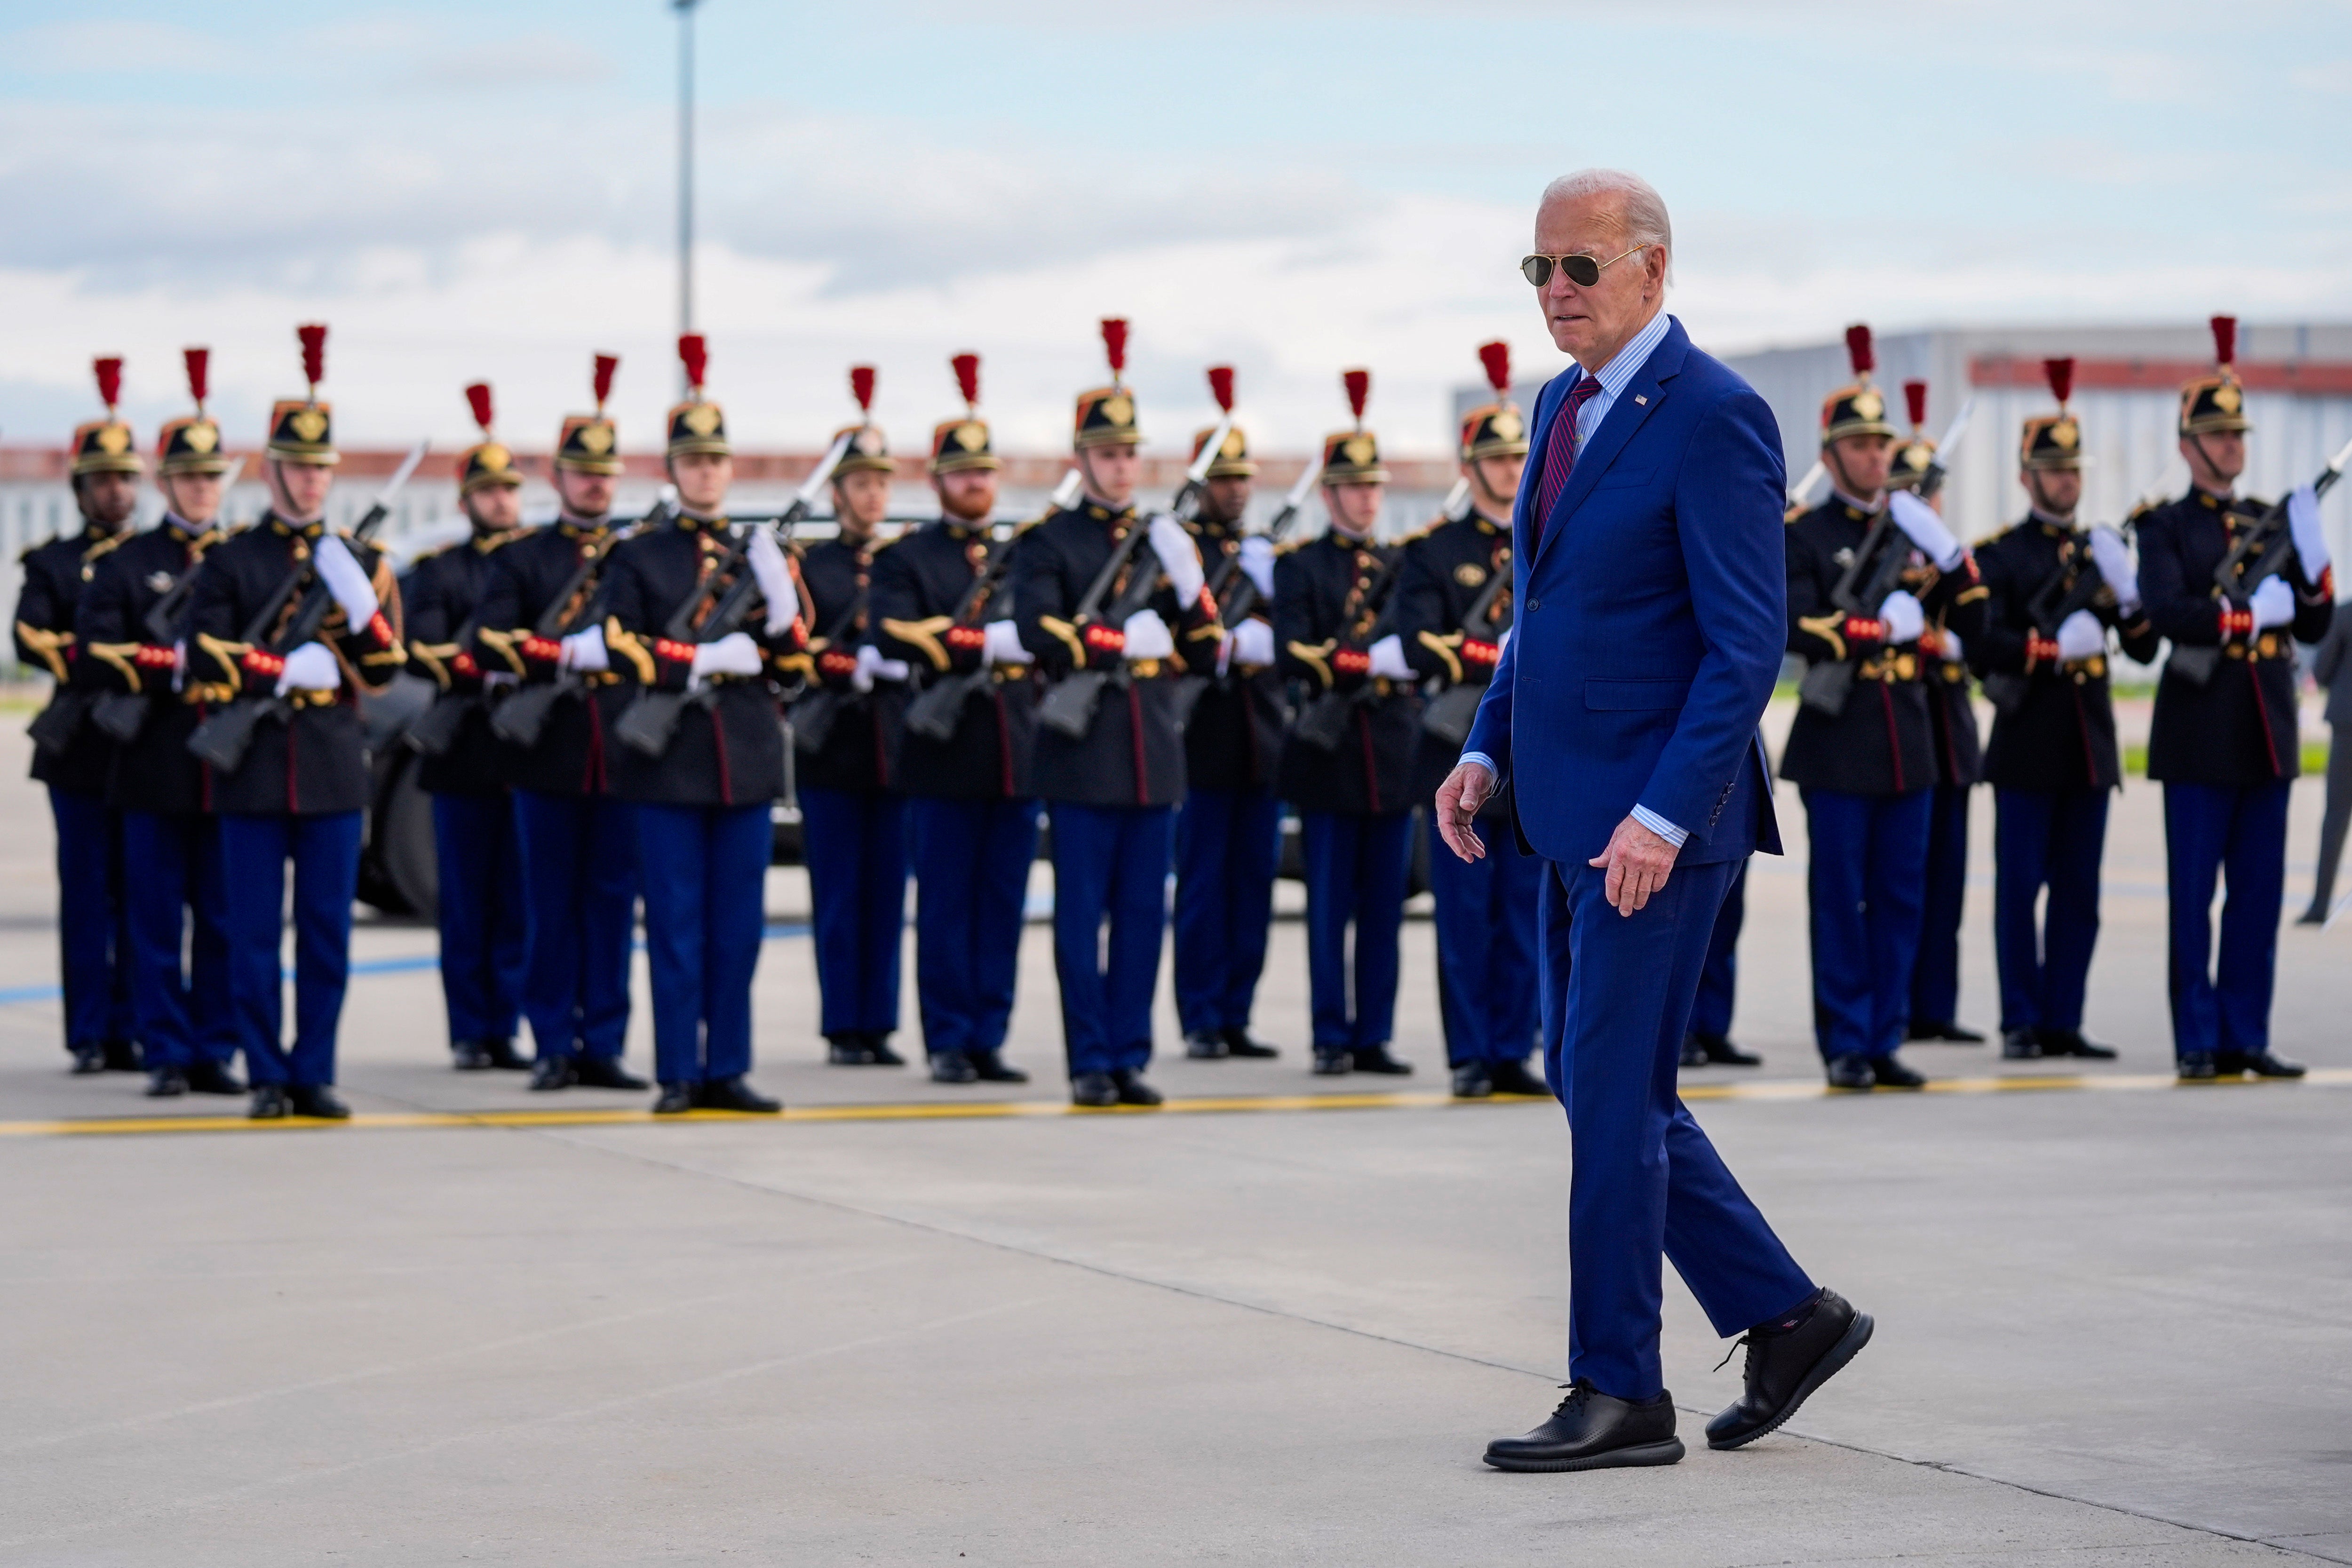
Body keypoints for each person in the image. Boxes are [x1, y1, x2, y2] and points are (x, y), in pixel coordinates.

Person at [1439, 170, 1869, 1472]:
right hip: (1565, 810)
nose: (1556, 292)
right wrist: (1482, 745)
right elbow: (1544, 610)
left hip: (1656, 831)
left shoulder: (1718, 418)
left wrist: (1663, 816)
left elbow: (1746, 647)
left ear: (1652, 269)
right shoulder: (1558, 407)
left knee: (1615, 1098)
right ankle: (1790, 1316)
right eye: (1540, 272)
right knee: (1594, 1080)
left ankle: (1620, 1389)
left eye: (1580, 267)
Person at [189, 324, 406, 1120]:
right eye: (298, 467)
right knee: (251, 934)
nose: (311, 482)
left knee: (324, 933)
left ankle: (312, 1069)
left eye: (321, 469)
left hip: (330, 763)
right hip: (250, 762)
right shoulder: (233, 559)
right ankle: (265, 1073)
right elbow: (200, 654)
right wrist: (281, 669)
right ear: (272, 469)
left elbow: (385, 671)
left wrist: (358, 616)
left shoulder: (359, 561)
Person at [1013, 319, 1222, 1108]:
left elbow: (1205, 651)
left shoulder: (1161, 539)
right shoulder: (1051, 541)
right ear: (1082, 458)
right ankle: (1088, 1059)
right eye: (1107, 453)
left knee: (1142, 917)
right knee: (1080, 920)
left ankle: (1129, 1053)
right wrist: (1112, 637)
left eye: (1130, 452)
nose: (1121, 464)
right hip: (1082, 754)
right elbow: (1038, 628)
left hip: (1152, 753)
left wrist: (1189, 583)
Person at [1780, 325, 1987, 1090]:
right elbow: (1788, 622)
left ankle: (1885, 1032)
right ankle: (1844, 1039)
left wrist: (1952, 557)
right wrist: (1870, 626)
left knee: (1903, 895)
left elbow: (1979, 626)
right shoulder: (1806, 533)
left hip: (1910, 737)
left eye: (1881, 445)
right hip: (1839, 739)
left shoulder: (1912, 529)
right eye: (1861, 446)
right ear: (1831, 455)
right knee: (1841, 899)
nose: (1876, 456)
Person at [600, 334, 796, 1114]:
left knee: (736, 931)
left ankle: (731, 1066)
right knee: (677, 926)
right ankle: (680, 1068)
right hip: (669, 764)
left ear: (730, 468)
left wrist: (779, 612)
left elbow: (791, 661)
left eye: (716, 460)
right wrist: (701, 662)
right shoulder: (640, 556)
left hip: (743, 763)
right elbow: (620, 647)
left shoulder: (760, 553)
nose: (706, 471)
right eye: (693, 460)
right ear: (672, 469)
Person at [2137, 316, 2333, 1081]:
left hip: (2266, 728)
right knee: (2196, 898)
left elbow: (2313, 619)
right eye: (2216, 435)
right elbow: (2167, 611)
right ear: (2187, 445)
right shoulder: (2166, 527)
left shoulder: (2268, 523)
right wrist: (2245, 614)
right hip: (2198, 731)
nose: (2231, 446)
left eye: (2237, 434)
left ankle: (2246, 1031)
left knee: (2256, 897)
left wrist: (2315, 567)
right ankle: (2197, 1036)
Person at [1967, 358, 2155, 1059]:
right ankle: (2021, 1019)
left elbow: (2140, 648)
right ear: (2026, 476)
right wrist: (2048, 649)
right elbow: (1984, 643)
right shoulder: (2003, 555)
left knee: (2080, 895)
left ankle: (2064, 1017)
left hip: (2089, 747)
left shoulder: (2098, 549)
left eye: (2074, 469)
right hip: (2027, 744)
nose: (2066, 480)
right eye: (2053, 469)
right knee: (2020, 893)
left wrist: (2130, 595)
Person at [471, 354, 647, 1094]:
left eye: (605, 472)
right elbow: (490, 640)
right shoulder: (526, 559)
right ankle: (550, 1041)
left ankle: (602, 1040)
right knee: (548, 907)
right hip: (548, 753)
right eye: (582, 472)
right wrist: (565, 655)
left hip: (624, 752)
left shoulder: (639, 556)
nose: (595, 484)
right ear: (558, 478)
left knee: (611, 906)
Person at [73, 349, 241, 1097]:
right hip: (154, 757)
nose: (202, 489)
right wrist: (173, 664)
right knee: (152, 918)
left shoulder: (242, 561)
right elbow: (96, 652)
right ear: (166, 482)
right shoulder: (128, 562)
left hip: (231, 763)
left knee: (224, 917)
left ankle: (214, 1046)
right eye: (189, 478)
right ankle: (166, 1046)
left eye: (213, 478)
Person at [870, 353, 1037, 1087]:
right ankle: (946, 1037)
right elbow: (890, 631)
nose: (977, 482)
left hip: (1014, 753)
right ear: (938, 480)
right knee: (944, 907)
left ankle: (988, 1034)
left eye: (986, 471)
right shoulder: (909, 558)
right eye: (963, 471)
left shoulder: (1019, 556)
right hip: (944, 755)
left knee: (1001, 906)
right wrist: (979, 643)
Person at [1394, 342, 1544, 1098]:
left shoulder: (1547, 542)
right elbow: (1417, 637)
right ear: (1469, 467)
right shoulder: (1433, 551)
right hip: (1458, 745)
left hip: (1528, 756)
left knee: (1523, 917)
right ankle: (1469, 1055)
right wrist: (1494, 650)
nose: (1512, 470)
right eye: (1497, 459)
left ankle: (1513, 1048)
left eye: (1521, 456)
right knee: (1464, 919)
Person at [1275, 372, 1421, 1080]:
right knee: (1330, 908)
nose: (1367, 497)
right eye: (1353, 486)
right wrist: (1362, 661)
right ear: (1328, 493)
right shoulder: (1301, 568)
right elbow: (1294, 652)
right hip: (1331, 757)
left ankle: (1375, 1033)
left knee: (1385, 910)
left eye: (1374, 486)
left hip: (1391, 754)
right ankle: (1331, 1032)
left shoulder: (1402, 564)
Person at [17, 358, 140, 1075]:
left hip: (145, 746)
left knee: (148, 892)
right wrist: (100, 660)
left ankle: (140, 1021)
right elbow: (30, 635)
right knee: (90, 892)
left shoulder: (163, 559)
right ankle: (91, 1031)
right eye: (103, 479)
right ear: (81, 488)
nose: (116, 490)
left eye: (126, 478)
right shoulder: (55, 564)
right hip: (81, 748)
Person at [403, 383, 529, 1074]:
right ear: (466, 501)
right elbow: (423, 649)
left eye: (508, 490)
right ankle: (468, 1030)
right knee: (465, 903)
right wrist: (484, 662)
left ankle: (505, 1025)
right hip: (463, 751)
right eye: (488, 492)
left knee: (515, 902)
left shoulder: (536, 564)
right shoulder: (442, 573)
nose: (501, 502)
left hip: (524, 752)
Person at [794, 367, 911, 1068]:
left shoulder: (902, 563)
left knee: (887, 893)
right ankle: (844, 1023)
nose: (873, 495)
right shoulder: (812, 565)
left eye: (881, 483)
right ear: (836, 493)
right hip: (833, 746)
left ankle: (880, 1023)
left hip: (892, 746)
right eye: (861, 483)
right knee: (839, 893)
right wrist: (849, 664)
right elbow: (802, 644)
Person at [1172, 374, 1285, 1063]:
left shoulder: (1263, 554)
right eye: (1223, 478)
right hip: (1206, 743)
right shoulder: (1181, 555)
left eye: (1243, 477)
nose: (1236, 489)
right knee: (1205, 886)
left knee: (1252, 890)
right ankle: (1200, 1014)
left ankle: (1237, 1011)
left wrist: (1271, 588)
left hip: (1262, 743)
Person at [1891, 381, 1988, 1048]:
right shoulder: (1887, 559)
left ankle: (1937, 1004)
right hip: (1905, 727)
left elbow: (1984, 624)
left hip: (1950, 730)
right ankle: (1898, 1004)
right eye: (1920, 489)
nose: (1933, 501)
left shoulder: (1951, 552)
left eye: (1935, 489)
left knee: (1947, 880)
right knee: (1905, 883)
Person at [2300, 606, 2352, 924]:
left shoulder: (2345, 615)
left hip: (2348, 723)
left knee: (2336, 814)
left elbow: (2321, 670)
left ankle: (2320, 904)